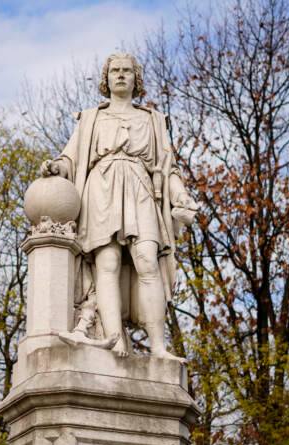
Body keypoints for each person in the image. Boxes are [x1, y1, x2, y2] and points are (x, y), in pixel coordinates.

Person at [41, 52, 198, 362]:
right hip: (102, 188)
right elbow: (70, 158)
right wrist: (56, 167)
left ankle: (158, 346)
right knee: (108, 263)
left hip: (140, 188)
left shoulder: (153, 119)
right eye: (115, 71)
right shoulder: (91, 118)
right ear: (106, 77)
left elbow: (169, 167)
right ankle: (114, 338)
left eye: (127, 70)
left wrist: (181, 196)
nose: (121, 75)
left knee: (148, 262)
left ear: (135, 77)